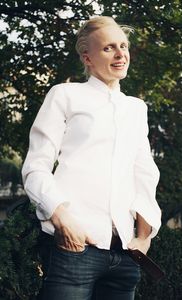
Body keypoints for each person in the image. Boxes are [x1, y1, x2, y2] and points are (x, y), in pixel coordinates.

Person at [22, 16, 161, 300]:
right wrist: (62, 220)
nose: (121, 54)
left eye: (123, 46)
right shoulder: (64, 95)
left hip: (124, 255)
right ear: (87, 57)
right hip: (75, 249)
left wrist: (144, 237)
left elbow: (144, 173)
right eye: (109, 48)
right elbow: (36, 166)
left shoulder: (136, 108)